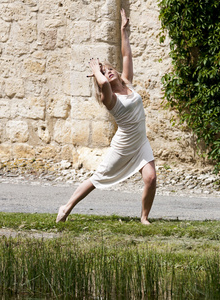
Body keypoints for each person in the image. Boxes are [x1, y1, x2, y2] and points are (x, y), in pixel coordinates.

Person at [56, 8, 157, 225]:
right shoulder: (109, 99)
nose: (107, 72)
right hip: (123, 147)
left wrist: (124, 31)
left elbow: (126, 55)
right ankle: (66, 207)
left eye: (109, 69)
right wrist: (95, 69)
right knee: (97, 179)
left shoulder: (127, 83)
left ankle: (144, 218)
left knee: (151, 178)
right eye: (104, 71)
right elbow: (102, 83)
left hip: (140, 143)